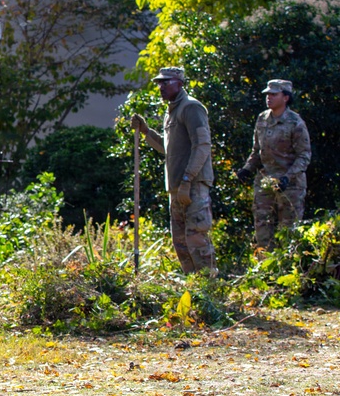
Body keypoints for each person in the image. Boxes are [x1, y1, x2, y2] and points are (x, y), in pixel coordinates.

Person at [131, 67, 216, 274]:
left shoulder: (191, 108)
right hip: (177, 187)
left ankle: (210, 288)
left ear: (179, 83)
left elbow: (202, 145)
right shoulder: (171, 112)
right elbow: (168, 150)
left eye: (166, 82)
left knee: (196, 236)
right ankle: (193, 286)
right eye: (159, 83)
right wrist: (146, 132)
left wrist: (188, 180)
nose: (161, 87)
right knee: (180, 241)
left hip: (193, 184)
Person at [236, 79, 311, 250]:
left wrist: (287, 177)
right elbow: (257, 150)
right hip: (265, 181)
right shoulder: (262, 119)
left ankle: (288, 269)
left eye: (274, 94)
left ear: (285, 97)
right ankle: (265, 269)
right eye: (267, 94)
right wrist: (247, 169)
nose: (269, 98)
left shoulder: (295, 123)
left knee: (289, 232)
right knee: (262, 227)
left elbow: (304, 155)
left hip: (290, 186)